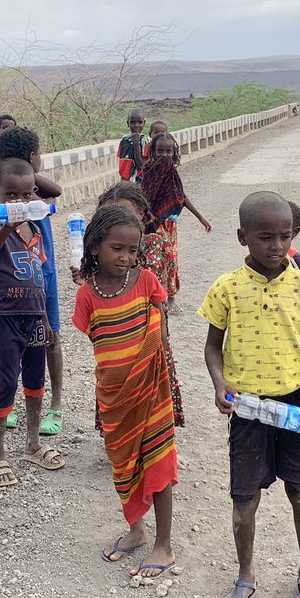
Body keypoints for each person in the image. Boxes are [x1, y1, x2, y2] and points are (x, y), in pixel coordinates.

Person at [199, 191, 300, 598]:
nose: (276, 245)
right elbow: (212, 347)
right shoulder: (227, 289)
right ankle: (245, 575)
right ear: (242, 238)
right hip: (249, 409)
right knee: (244, 497)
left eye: (284, 236)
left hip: (294, 404)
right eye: (265, 237)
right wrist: (220, 385)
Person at [73, 204, 178, 576]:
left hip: (151, 392)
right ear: (95, 247)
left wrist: (145, 366)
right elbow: (95, 337)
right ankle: (136, 530)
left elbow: (159, 328)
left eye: (132, 250)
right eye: (117, 248)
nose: (126, 257)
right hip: (115, 397)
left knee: (159, 463)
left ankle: (163, 545)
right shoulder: (87, 294)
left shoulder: (147, 281)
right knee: (123, 465)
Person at [0, 157, 65, 486]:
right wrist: (6, 227)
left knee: (34, 380)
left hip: (34, 316)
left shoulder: (35, 229)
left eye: (26, 195)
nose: (19, 202)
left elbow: (40, 276)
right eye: (11, 196)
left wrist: (47, 321)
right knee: (5, 383)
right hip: (7, 317)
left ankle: (32, 443)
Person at [92, 182, 185, 431]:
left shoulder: (154, 245)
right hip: (115, 340)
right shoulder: (99, 253)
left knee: (153, 390)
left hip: (148, 333)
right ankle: (122, 444)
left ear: (143, 216)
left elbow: (155, 292)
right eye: (109, 216)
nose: (119, 221)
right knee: (117, 388)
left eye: (126, 214)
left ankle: (160, 446)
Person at [0, 126, 65, 434]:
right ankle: (11, 404)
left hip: (43, 274)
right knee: (13, 345)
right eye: (38, 154)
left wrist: (24, 168)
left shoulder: (34, 192)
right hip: (11, 280)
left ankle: (56, 405)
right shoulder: (3, 195)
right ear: (33, 154)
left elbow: (57, 190)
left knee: (50, 339)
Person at [139, 131, 212, 311]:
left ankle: (171, 296)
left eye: (169, 152)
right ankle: (155, 297)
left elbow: (180, 197)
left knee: (171, 259)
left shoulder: (172, 173)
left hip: (170, 224)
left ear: (174, 153)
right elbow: (143, 197)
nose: (165, 155)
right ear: (153, 152)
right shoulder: (148, 171)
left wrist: (200, 217)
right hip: (152, 224)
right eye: (160, 151)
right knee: (154, 260)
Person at [117, 110, 148, 181]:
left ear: (144, 123)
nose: (136, 125)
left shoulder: (146, 141)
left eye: (140, 122)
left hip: (140, 181)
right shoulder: (124, 140)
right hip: (125, 181)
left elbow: (142, 166)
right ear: (128, 123)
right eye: (133, 122)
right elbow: (122, 163)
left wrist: (136, 143)